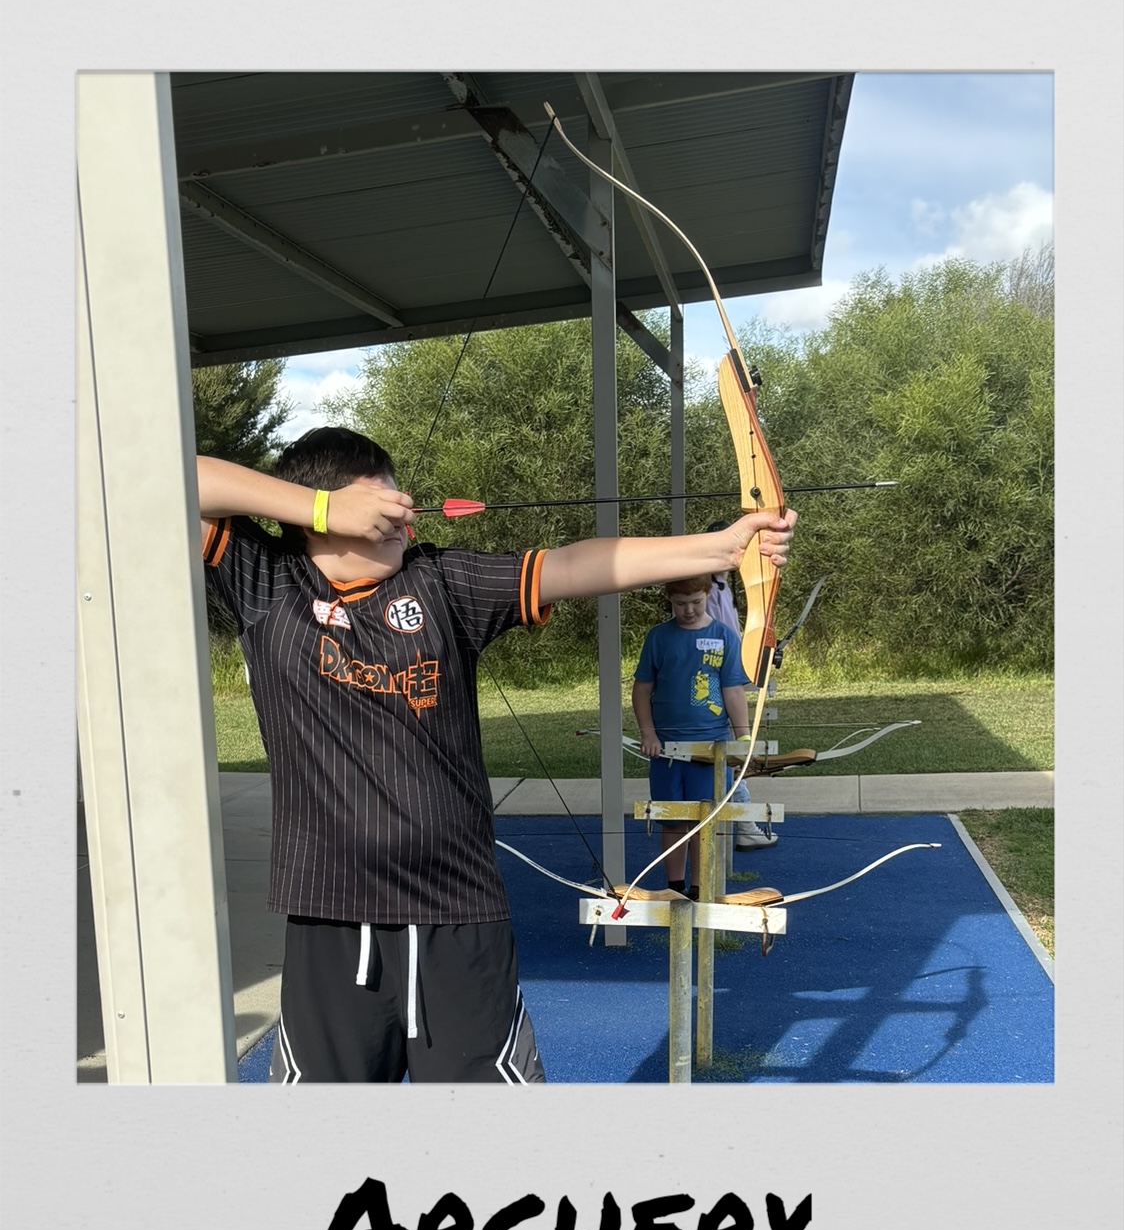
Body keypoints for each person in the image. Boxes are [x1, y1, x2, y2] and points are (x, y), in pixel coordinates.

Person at [197, 427, 796, 1083]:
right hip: (330, 919)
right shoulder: (268, 586)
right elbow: (173, 476)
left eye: (400, 496)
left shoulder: (442, 583)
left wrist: (718, 546)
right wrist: (318, 507)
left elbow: (572, 565)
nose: (401, 511)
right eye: (379, 504)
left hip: (458, 913)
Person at [631, 576, 756, 900]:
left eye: (696, 603)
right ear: (670, 601)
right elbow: (642, 688)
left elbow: (733, 690)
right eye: (680, 604)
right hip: (666, 750)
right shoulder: (658, 637)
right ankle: (675, 889)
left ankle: (701, 889)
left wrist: (742, 739)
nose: (688, 610)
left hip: (711, 749)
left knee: (705, 820)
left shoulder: (724, 636)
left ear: (708, 595)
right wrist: (648, 733)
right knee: (673, 820)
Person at [703, 520, 778, 851]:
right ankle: (744, 825)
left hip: (727, 677)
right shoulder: (707, 587)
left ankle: (743, 824)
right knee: (729, 755)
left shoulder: (722, 584)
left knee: (730, 753)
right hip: (713, 683)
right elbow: (714, 639)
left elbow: (732, 635)